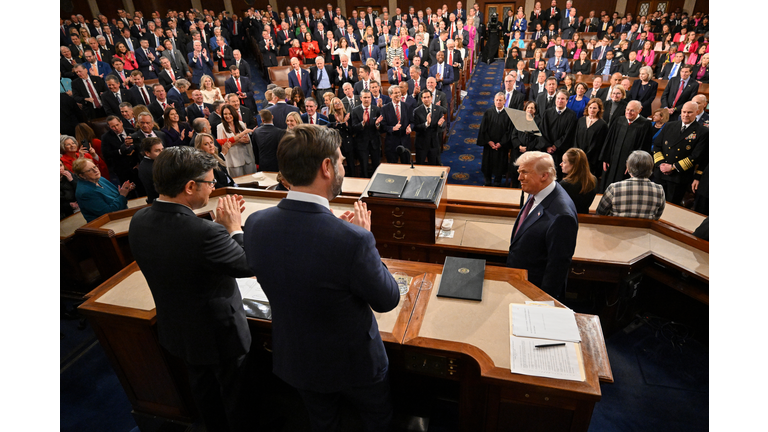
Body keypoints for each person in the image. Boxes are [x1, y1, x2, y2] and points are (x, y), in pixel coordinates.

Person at [243, 125, 399, 432]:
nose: (342, 166)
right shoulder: (353, 240)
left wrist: (347, 236)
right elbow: (387, 299)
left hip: (297, 357)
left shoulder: (255, 223)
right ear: (326, 167)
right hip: (354, 363)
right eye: (340, 160)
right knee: (376, 420)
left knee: (322, 423)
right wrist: (365, 238)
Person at [128, 147, 253, 432]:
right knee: (236, 396)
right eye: (210, 182)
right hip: (220, 334)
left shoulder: (139, 220)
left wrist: (217, 229)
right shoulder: (205, 233)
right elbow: (246, 265)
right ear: (190, 186)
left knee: (204, 391)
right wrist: (234, 229)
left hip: (179, 330)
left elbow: (182, 253)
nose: (212, 189)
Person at [507, 151, 578, 300]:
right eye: (519, 172)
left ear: (544, 175)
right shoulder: (536, 191)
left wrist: (542, 301)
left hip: (534, 291)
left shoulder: (562, 215)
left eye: (524, 172)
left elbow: (557, 267)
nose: (519, 178)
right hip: (520, 282)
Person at [651, 101, 709, 205]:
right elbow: (657, 145)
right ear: (681, 112)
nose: (686, 115)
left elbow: (696, 156)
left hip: (678, 177)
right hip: (660, 173)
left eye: (690, 112)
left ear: (697, 112)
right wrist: (661, 164)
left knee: (670, 208)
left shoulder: (702, 131)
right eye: (684, 112)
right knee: (654, 204)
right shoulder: (669, 125)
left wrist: (672, 167)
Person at [599, 100, 653, 192]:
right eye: (627, 109)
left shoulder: (645, 124)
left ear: (639, 110)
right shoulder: (619, 120)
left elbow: (643, 148)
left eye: (632, 110)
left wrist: (633, 164)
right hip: (612, 160)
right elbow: (609, 140)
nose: (628, 112)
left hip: (629, 165)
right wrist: (605, 158)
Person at [596, 150, 665, 220]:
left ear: (628, 167)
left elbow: (600, 213)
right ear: (651, 168)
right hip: (644, 230)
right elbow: (656, 216)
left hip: (616, 229)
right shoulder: (659, 190)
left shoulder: (614, 188)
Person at [72, 157, 134, 222]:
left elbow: (116, 195)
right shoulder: (85, 192)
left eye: (95, 167)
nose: (95, 170)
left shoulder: (100, 179)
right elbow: (108, 212)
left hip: (122, 214)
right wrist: (122, 195)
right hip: (108, 223)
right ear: (81, 175)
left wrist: (124, 190)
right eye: (89, 170)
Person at [536, 90, 577, 178]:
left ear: (566, 101)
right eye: (558, 98)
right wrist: (548, 146)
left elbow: (568, 134)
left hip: (560, 151)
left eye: (562, 99)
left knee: (557, 175)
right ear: (555, 100)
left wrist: (556, 146)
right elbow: (543, 131)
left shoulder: (571, 115)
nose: (560, 101)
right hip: (546, 151)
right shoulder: (547, 113)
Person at [477, 93, 513, 186]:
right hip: (489, 145)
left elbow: (509, 131)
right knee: (487, 163)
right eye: (497, 100)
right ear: (494, 100)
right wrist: (489, 141)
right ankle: (487, 180)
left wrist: (501, 143)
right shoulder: (488, 112)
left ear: (505, 101)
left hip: (501, 146)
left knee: (500, 165)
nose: (498, 102)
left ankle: (498, 180)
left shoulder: (509, 114)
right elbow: (483, 129)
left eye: (500, 100)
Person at [350, 89, 383, 177]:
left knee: (377, 166)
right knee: (363, 167)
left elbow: (381, 128)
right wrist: (363, 123)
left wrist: (377, 124)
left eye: (368, 97)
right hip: (362, 144)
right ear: (361, 98)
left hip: (375, 143)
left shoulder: (376, 109)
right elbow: (353, 128)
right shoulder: (355, 111)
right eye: (365, 97)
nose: (367, 99)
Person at [573, 98, 608, 179]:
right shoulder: (581, 121)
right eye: (590, 107)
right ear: (587, 108)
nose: (592, 110)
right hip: (578, 156)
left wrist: (587, 155)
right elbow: (576, 137)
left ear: (599, 110)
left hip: (592, 159)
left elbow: (600, 143)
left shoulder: (602, 124)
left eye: (595, 108)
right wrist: (577, 153)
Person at [217, 104, 255, 177]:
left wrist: (234, 140)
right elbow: (225, 144)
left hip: (246, 158)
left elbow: (247, 140)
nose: (228, 116)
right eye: (225, 114)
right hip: (233, 161)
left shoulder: (241, 123)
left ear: (234, 113)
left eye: (230, 113)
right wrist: (239, 139)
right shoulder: (220, 127)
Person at [380, 86, 413, 164]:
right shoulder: (385, 109)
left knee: (406, 166)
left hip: (405, 142)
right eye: (395, 93)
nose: (398, 94)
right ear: (390, 95)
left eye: (399, 92)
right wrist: (392, 128)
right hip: (391, 143)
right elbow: (383, 126)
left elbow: (412, 122)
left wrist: (410, 128)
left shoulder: (407, 106)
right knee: (393, 168)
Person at [413, 89, 447, 165]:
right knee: (420, 166)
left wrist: (440, 124)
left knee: (434, 165)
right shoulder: (417, 111)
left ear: (431, 98)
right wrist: (426, 124)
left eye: (428, 97)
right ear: (421, 99)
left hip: (434, 143)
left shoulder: (438, 109)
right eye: (424, 97)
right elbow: (415, 127)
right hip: (421, 144)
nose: (426, 99)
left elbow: (443, 124)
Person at [559, 148, 597, 214]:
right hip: (585, 218)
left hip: (568, 219)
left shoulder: (565, 184)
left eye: (564, 162)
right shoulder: (593, 180)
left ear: (573, 165)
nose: (561, 164)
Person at [327, 97, 355, 174]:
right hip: (338, 145)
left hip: (349, 143)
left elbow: (352, 131)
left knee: (351, 165)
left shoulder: (348, 115)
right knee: (339, 166)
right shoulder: (331, 117)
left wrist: (345, 123)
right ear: (333, 106)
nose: (338, 103)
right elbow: (331, 132)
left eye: (339, 102)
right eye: (335, 103)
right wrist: (338, 123)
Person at [136, 137, 164, 203]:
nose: (162, 153)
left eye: (162, 149)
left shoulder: (151, 162)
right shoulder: (151, 167)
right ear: (147, 153)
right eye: (157, 151)